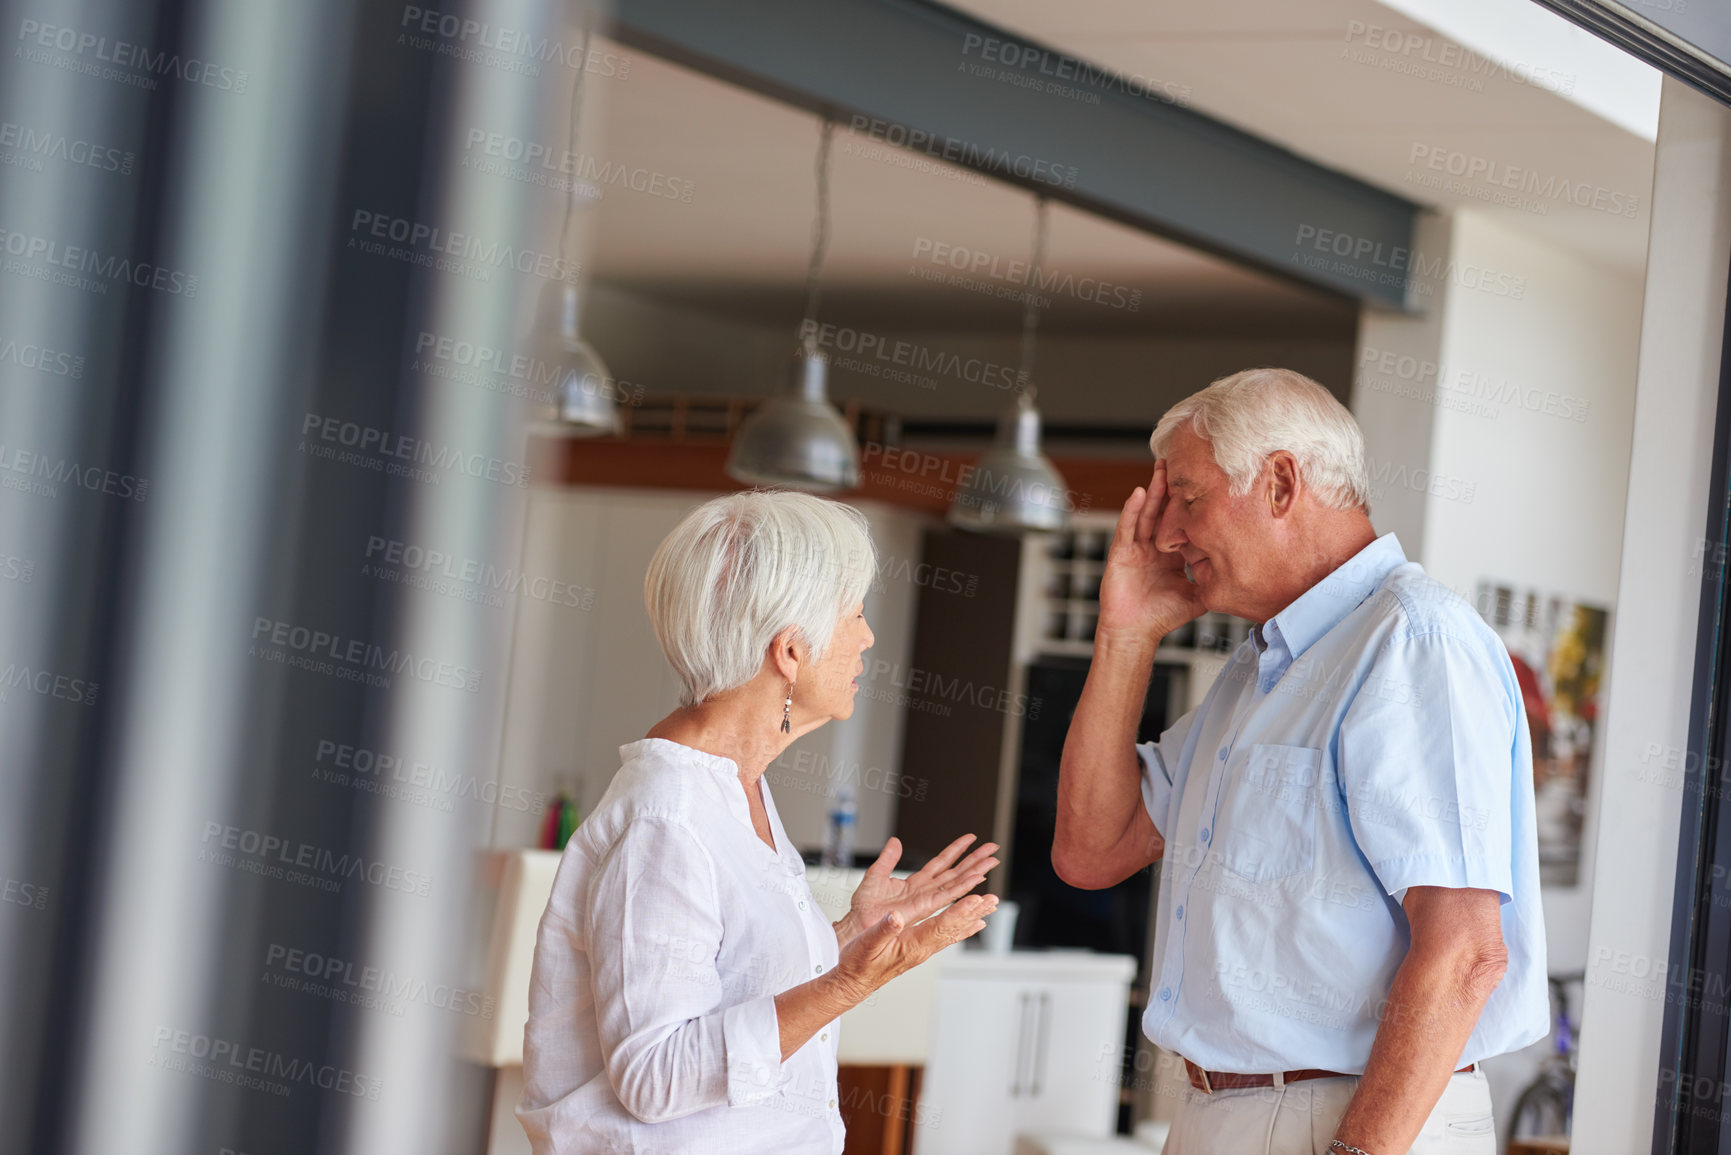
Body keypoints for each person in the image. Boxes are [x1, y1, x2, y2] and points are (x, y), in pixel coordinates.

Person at [1054, 369, 1547, 1155]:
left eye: (1187, 497)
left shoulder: (1412, 641)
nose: (1168, 534)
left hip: (1349, 1122)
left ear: (1280, 482)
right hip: (1226, 1113)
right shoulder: (1257, 672)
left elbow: (1463, 951)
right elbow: (1091, 847)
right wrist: (1124, 634)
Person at [518, 490, 999, 1154]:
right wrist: (848, 982)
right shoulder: (667, 818)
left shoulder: (737, 787)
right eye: (854, 613)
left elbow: (732, 984)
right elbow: (654, 1075)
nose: (866, 637)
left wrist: (852, 936)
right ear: (791, 651)